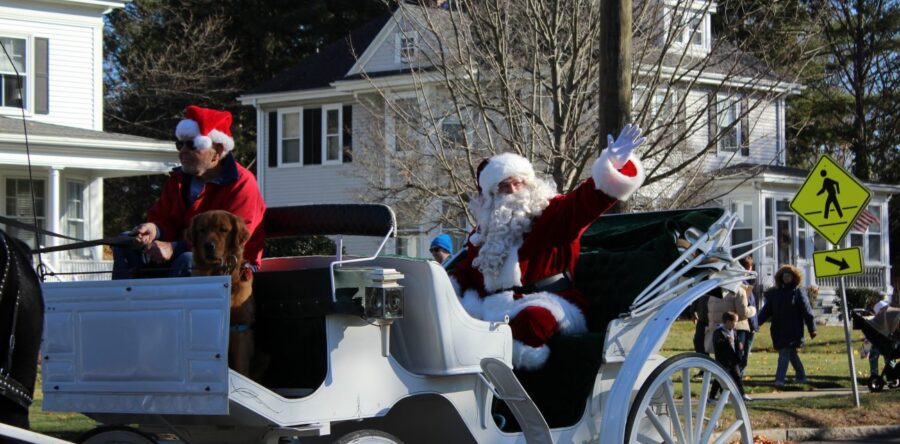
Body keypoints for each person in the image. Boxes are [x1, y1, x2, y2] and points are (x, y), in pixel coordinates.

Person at [451, 124, 646, 370]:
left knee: (532, 320)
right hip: (496, 307)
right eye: (504, 186)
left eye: (518, 183)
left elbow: (586, 201)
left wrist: (614, 167)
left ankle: (515, 379)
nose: (513, 191)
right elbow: (466, 273)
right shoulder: (483, 235)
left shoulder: (552, 212)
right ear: (491, 196)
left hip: (552, 301)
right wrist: (441, 285)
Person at [112, 105, 266, 279]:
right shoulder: (177, 180)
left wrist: (174, 248)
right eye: (181, 144)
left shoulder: (242, 183)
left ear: (217, 152)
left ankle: (166, 298)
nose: (183, 151)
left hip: (230, 264)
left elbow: (232, 239)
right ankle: (123, 297)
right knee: (126, 242)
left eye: (192, 145)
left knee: (188, 260)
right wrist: (154, 229)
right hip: (179, 257)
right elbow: (164, 218)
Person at [758, 264, 817, 389]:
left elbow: (807, 311)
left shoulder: (798, 292)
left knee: (784, 353)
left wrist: (812, 328)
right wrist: (756, 323)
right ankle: (801, 376)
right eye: (784, 275)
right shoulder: (775, 293)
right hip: (778, 330)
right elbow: (766, 311)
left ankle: (779, 380)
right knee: (791, 354)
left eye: (789, 275)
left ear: (794, 277)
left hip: (793, 330)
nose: (786, 278)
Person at [705, 278, 756, 375]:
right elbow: (743, 313)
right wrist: (752, 310)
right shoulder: (739, 290)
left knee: (721, 361)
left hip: (718, 330)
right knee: (737, 361)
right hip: (735, 329)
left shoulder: (714, 292)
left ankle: (722, 380)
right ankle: (736, 380)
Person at [710, 311, 748, 401]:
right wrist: (727, 341)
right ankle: (711, 397)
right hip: (723, 360)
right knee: (719, 379)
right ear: (728, 322)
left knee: (737, 377)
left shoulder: (733, 331)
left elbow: (736, 341)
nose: (736, 323)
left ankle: (742, 394)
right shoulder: (718, 332)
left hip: (733, 359)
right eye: (735, 321)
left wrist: (739, 345)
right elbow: (718, 344)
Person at [737, 255, 762, 375]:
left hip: (749, 324)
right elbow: (746, 307)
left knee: (744, 354)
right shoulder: (740, 284)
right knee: (741, 354)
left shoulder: (750, 283)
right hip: (743, 324)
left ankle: (739, 375)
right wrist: (753, 311)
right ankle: (737, 376)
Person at [864, 296, 892, 378]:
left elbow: (868, 336)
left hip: (883, 344)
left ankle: (876, 375)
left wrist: (865, 350)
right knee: (889, 358)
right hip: (884, 344)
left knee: (878, 356)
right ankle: (878, 375)